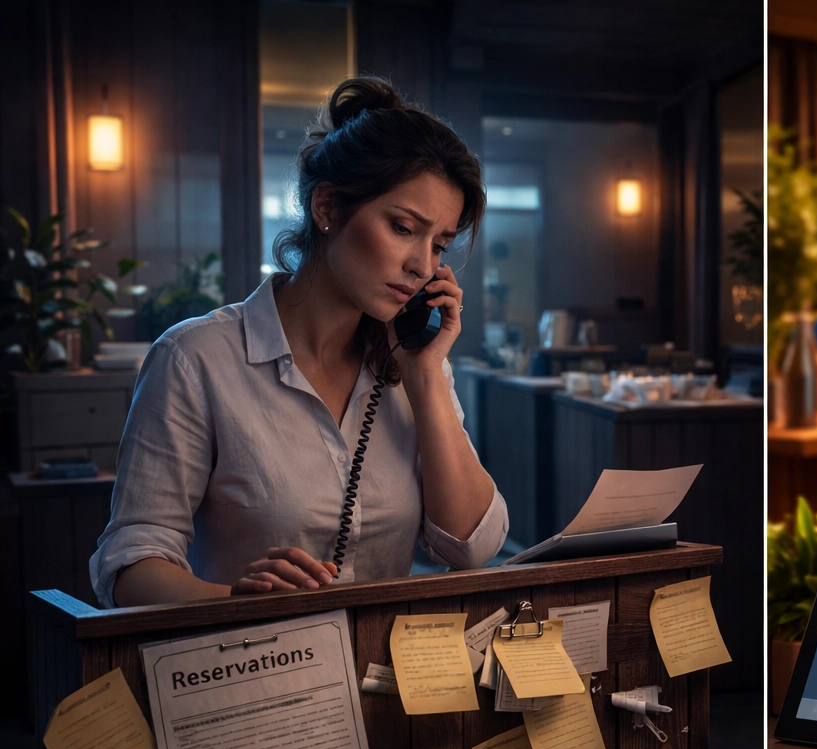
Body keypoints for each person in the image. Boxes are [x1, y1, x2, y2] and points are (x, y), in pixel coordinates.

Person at [90, 76, 509, 607]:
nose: (423, 266)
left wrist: (425, 376)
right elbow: (129, 565)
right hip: (245, 666)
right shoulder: (195, 359)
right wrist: (233, 600)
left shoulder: (414, 366)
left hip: (386, 676)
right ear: (329, 208)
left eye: (440, 244)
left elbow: (473, 550)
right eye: (404, 228)